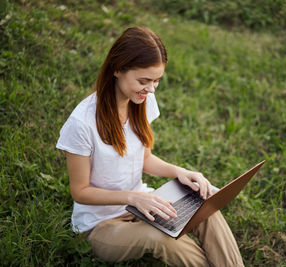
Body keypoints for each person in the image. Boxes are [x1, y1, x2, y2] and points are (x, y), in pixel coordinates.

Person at [56, 26, 244, 266]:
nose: (151, 89)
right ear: (117, 69)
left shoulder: (142, 101)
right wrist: (133, 198)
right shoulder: (82, 123)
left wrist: (181, 172)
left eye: (156, 81)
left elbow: (144, 159)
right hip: (101, 225)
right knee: (161, 238)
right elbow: (80, 191)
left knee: (206, 209)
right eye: (144, 81)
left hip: (141, 207)